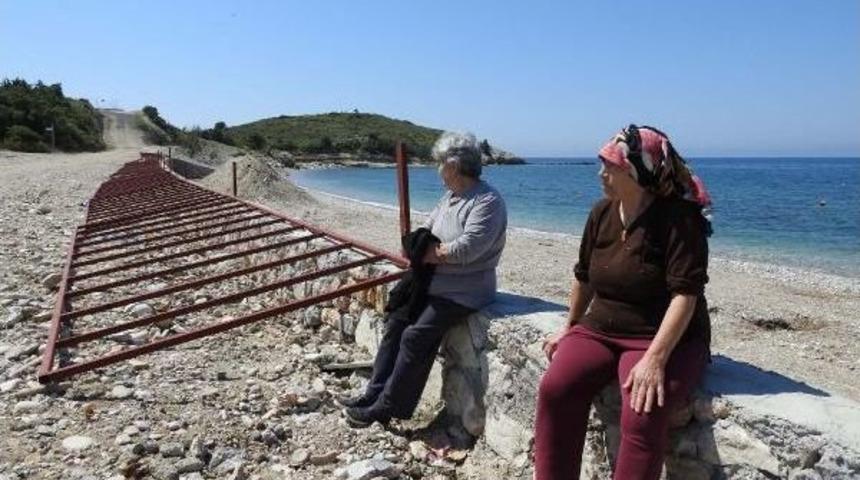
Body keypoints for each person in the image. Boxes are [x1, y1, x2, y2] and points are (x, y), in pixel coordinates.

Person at [534, 125, 713, 480]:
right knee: (555, 389)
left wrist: (655, 359)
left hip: (662, 337)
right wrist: (569, 327)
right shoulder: (602, 212)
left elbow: (685, 295)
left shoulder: (680, 219)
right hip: (600, 328)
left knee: (642, 412)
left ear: (636, 173)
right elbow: (584, 276)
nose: (601, 173)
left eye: (609, 166)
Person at [341, 131, 508, 427]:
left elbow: (466, 248)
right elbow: (424, 231)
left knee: (415, 336)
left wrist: (425, 251)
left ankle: (388, 407)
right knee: (396, 324)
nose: (438, 170)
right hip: (433, 285)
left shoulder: (487, 201)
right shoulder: (450, 197)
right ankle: (374, 393)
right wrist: (424, 246)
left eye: (440, 164)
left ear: (454, 166)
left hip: (464, 292)